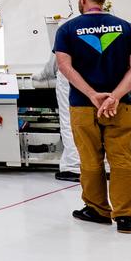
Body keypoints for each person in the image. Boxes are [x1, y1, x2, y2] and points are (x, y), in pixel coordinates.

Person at [53, 0, 131, 233]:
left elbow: (64, 66)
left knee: (90, 160)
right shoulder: (127, 28)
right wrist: (114, 97)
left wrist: (93, 95)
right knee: (121, 160)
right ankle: (126, 216)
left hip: (84, 106)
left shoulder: (67, 29)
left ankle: (96, 209)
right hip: (119, 106)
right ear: (103, 0)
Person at [34, 53, 81, 183]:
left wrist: (41, 75)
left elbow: (56, 61)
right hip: (101, 79)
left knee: (70, 122)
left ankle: (74, 167)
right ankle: (101, 165)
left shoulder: (66, 32)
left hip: (70, 79)